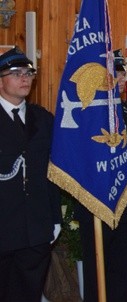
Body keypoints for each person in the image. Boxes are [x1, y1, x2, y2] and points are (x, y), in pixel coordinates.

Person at [75, 49, 127, 302]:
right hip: (96, 201)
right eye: (116, 74)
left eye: (123, 74)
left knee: (123, 266)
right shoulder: (87, 114)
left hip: (126, 199)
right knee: (97, 267)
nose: (121, 79)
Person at [0, 47, 61, 302]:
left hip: (36, 227)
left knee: (29, 293)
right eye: (16, 73)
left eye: (28, 73)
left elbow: (53, 171)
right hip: (3, 225)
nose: (25, 78)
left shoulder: (43, 119)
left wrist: (55, 217)